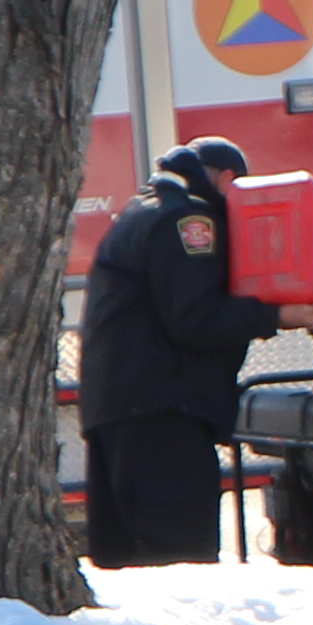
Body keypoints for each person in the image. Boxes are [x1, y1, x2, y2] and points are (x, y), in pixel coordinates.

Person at [77, 139, 279, 566]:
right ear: (227, 180)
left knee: (126, 563)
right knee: (181, 560)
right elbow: (196, 318)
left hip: (120, 410)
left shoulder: (139, 210)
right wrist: (275, 313)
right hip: (165, 413)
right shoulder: (187, 220)